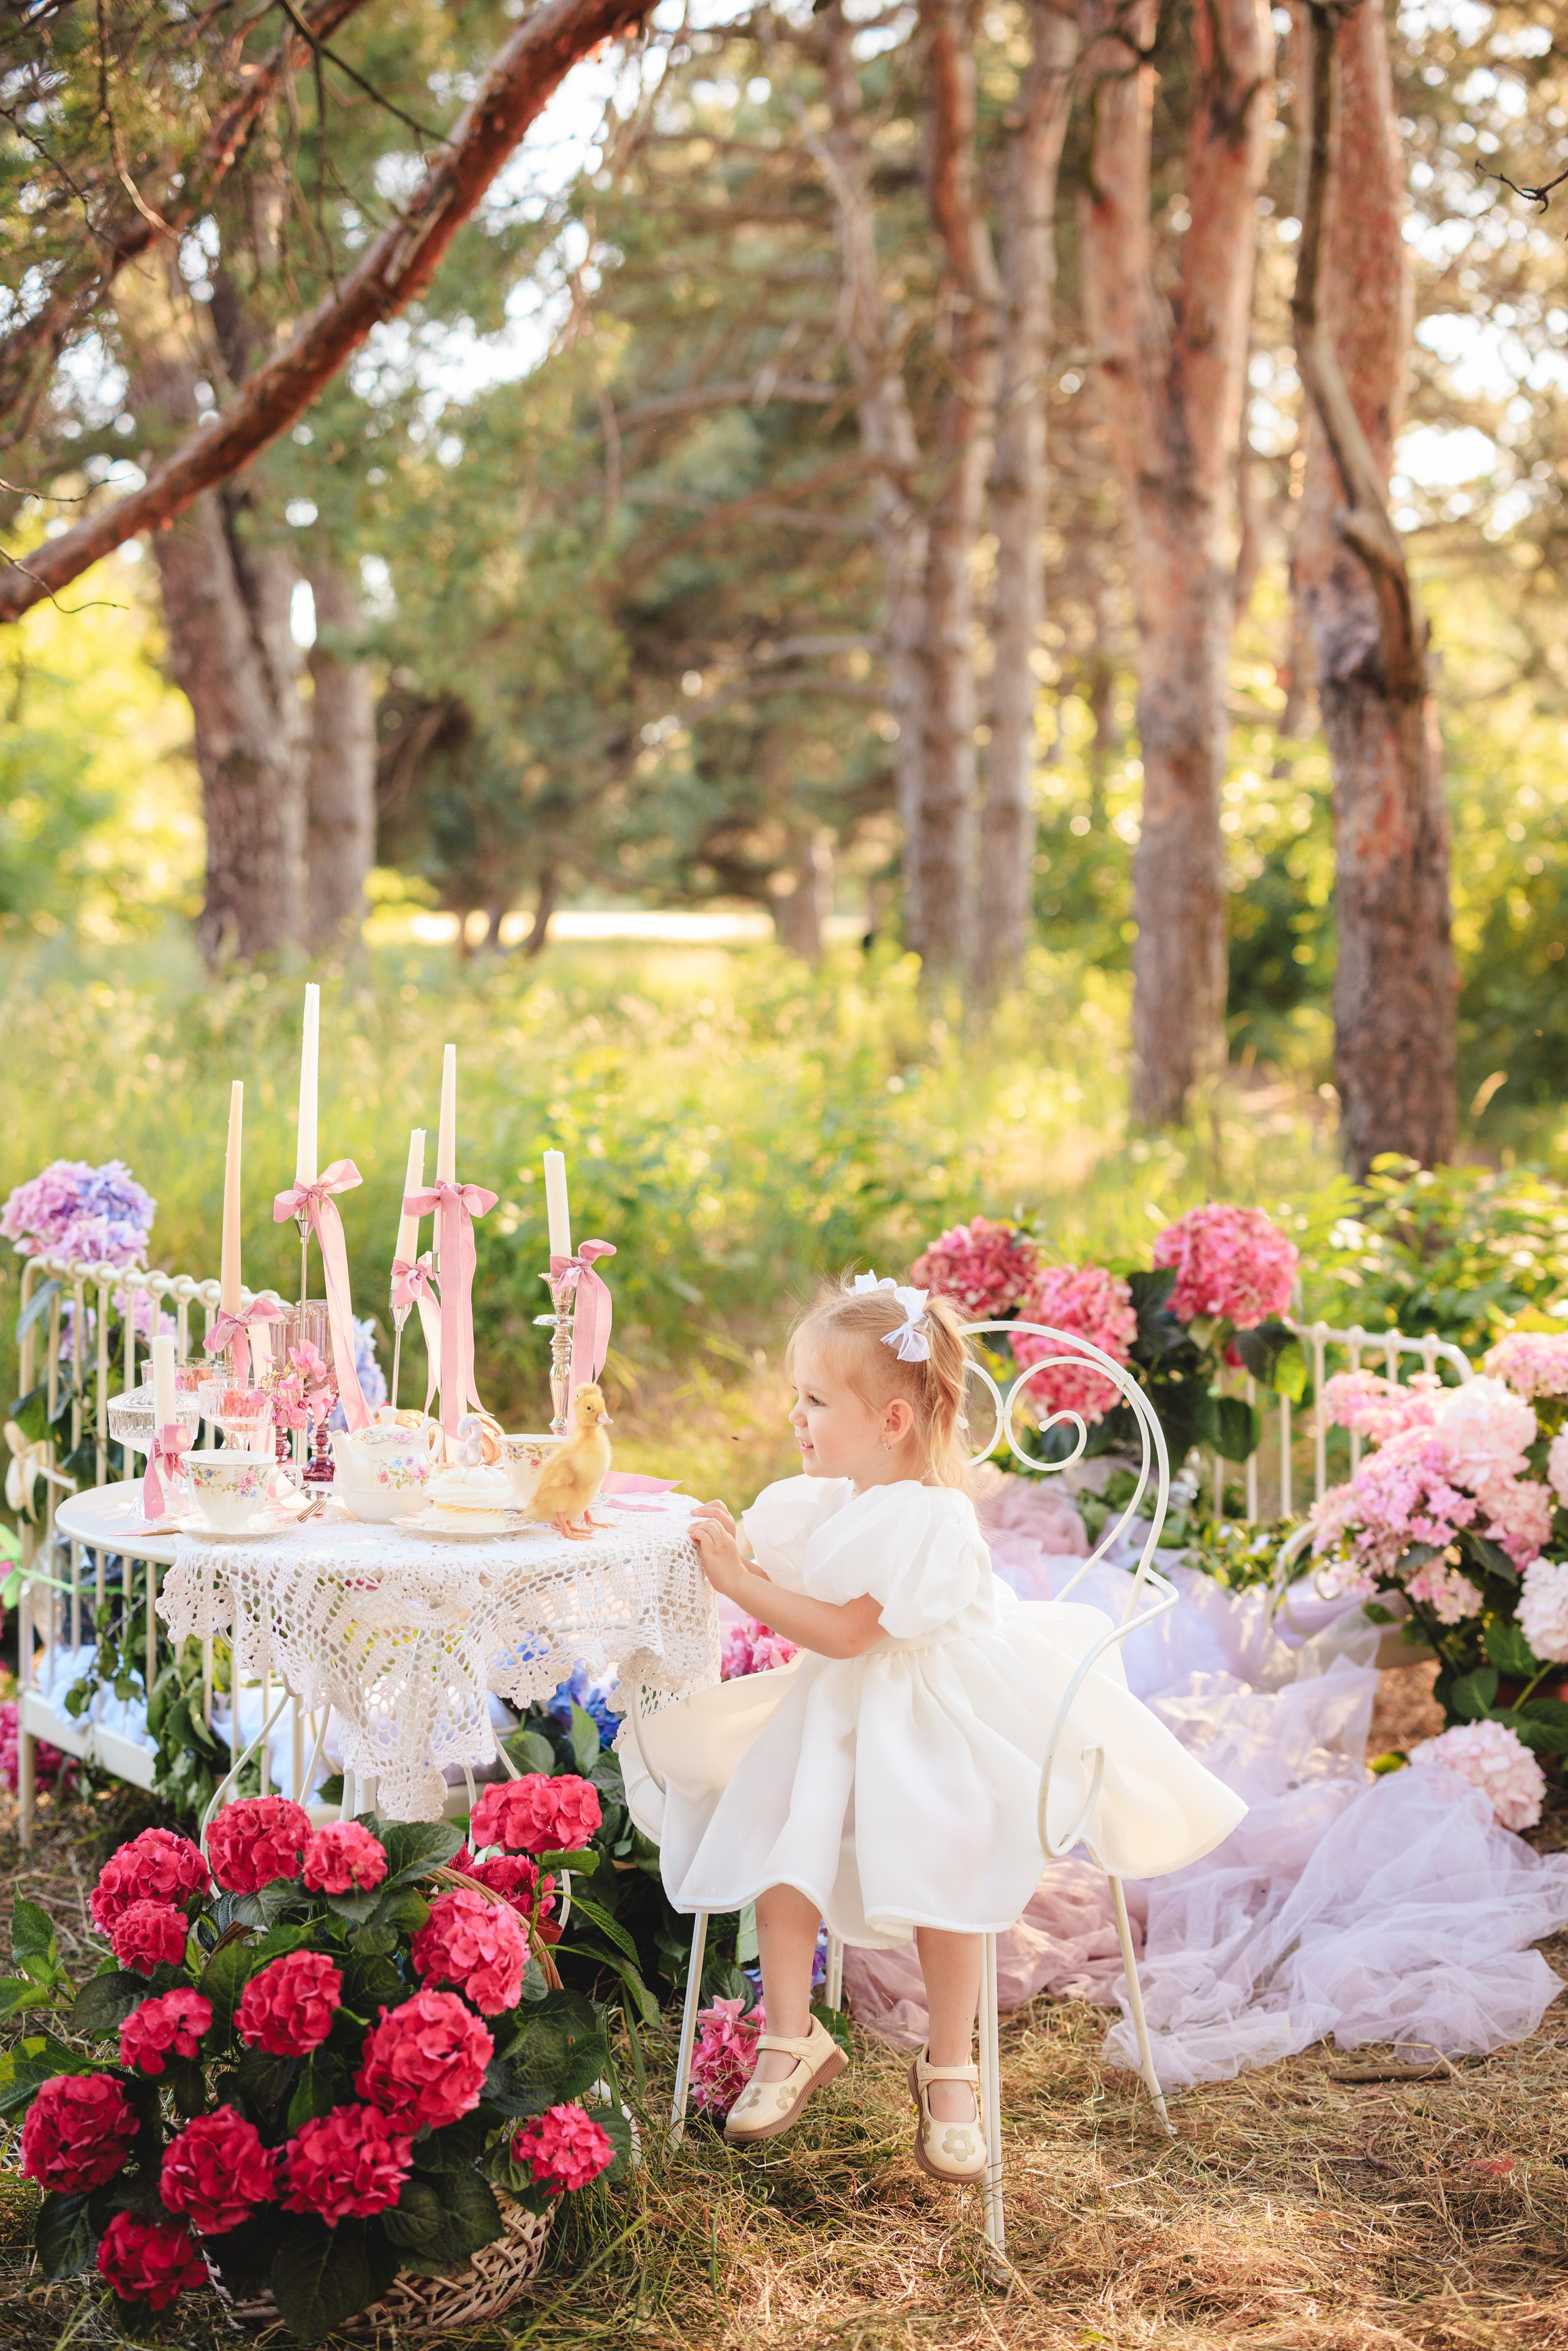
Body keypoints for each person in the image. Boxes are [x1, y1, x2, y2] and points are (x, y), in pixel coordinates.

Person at [622, 1274, 1245, 2181]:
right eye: (796, 1394)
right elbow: (785, 1562)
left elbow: (844, 1629)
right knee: (776, 1822)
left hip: (935, 1709)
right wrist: (728, 1539)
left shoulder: (933, 1519)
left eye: (815, 1398)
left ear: (892, 1421)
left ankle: (950, 2062)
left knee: (943, 1850)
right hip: (839, 1703)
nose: (795, 1415)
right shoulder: (828, 1495)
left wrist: (740, 1583)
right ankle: (790, 2034)